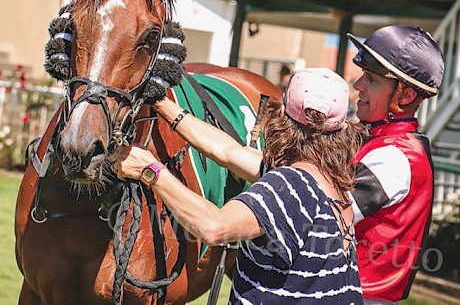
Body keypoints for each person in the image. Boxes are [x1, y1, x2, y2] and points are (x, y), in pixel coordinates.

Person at [116, 67, 365, 303]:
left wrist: (149, 170)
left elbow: (214, 227)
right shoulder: (326, 178)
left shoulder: (287, 185)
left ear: (280, 116)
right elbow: (226, 150)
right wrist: (162, 102)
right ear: (341, 128)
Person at [346, 25, 444, 304]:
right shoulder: (383, 143)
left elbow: (311, 213)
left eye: (371, 80)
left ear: (405, 96)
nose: (358, 86)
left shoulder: (395, 157)